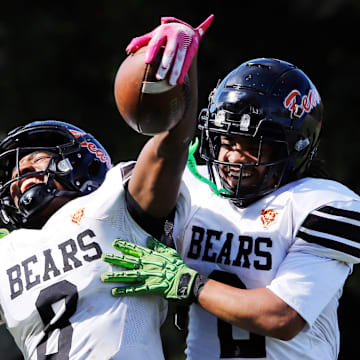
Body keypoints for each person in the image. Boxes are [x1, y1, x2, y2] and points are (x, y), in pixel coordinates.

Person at [101, 32, 360, 360]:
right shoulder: (192, 188)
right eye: (227, 141)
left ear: (295, 146)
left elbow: (281, 317)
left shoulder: (322, 204)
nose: (235, 158)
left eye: (254, 147)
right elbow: (106, 211)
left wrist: (189, 285)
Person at [0, 15, 214, 359]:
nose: (21, 173)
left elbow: (170, 147)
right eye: (14, 171)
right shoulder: (7, 251)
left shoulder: (112, 204)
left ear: (82, 162)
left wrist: (182, 74)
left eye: (35, 160)